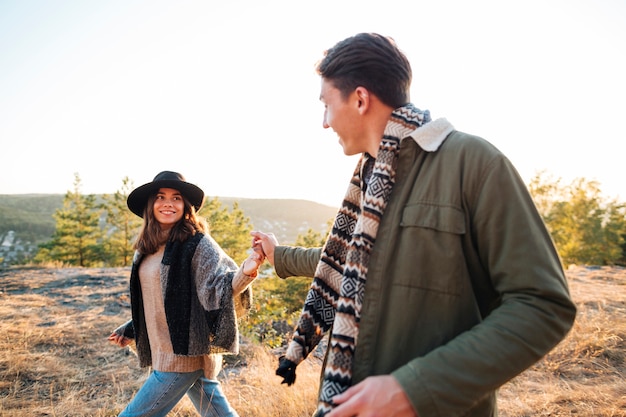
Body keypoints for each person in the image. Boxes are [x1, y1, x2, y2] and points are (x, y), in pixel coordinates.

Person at [251, 33, 576, 417]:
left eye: (326, 105)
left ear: (359, 99)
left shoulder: (473, 163)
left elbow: (542, 304)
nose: (324, 122)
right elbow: (342, 264)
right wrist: (279, 256)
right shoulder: (368, 182)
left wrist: (416, 389)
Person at [108, 171, 264, 417]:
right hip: (169, 351)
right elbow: (160, 298)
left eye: (176, 197)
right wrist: (132, 328)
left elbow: (220, 287)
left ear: (186, 206)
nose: (168, 203)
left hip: (182, 355)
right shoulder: (147, 248)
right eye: (160, 197)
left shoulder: (198, 243)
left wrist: (247, 270)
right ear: (151, 205)